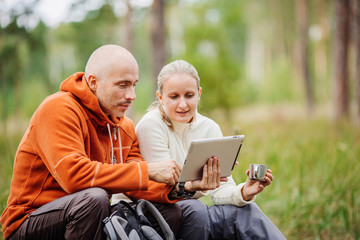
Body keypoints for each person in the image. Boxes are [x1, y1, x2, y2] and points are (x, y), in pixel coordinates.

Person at [0, 45, 219, 240]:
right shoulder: (59, 109)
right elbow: (74, 177)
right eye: (123, 85)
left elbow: (138, 187)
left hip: (88, 214)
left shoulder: (124, 126)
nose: (132, 95)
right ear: (93, 82)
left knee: (170, 211)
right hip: (30, 220)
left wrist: (185, 187)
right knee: (94, 199)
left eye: (134, 85)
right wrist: (148, 170)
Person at [135, 59, 287, 240]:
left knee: (245, 212)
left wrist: (244, 191)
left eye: (189, 95)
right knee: (196, 209)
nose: (182, 104)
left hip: (191, 214)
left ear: (199, 94)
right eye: (174, 97)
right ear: (160, 97)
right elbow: (161, 190)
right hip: (152, 215)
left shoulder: (209, 128)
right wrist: (193, 185)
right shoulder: (150, 126)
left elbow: (221, 188)